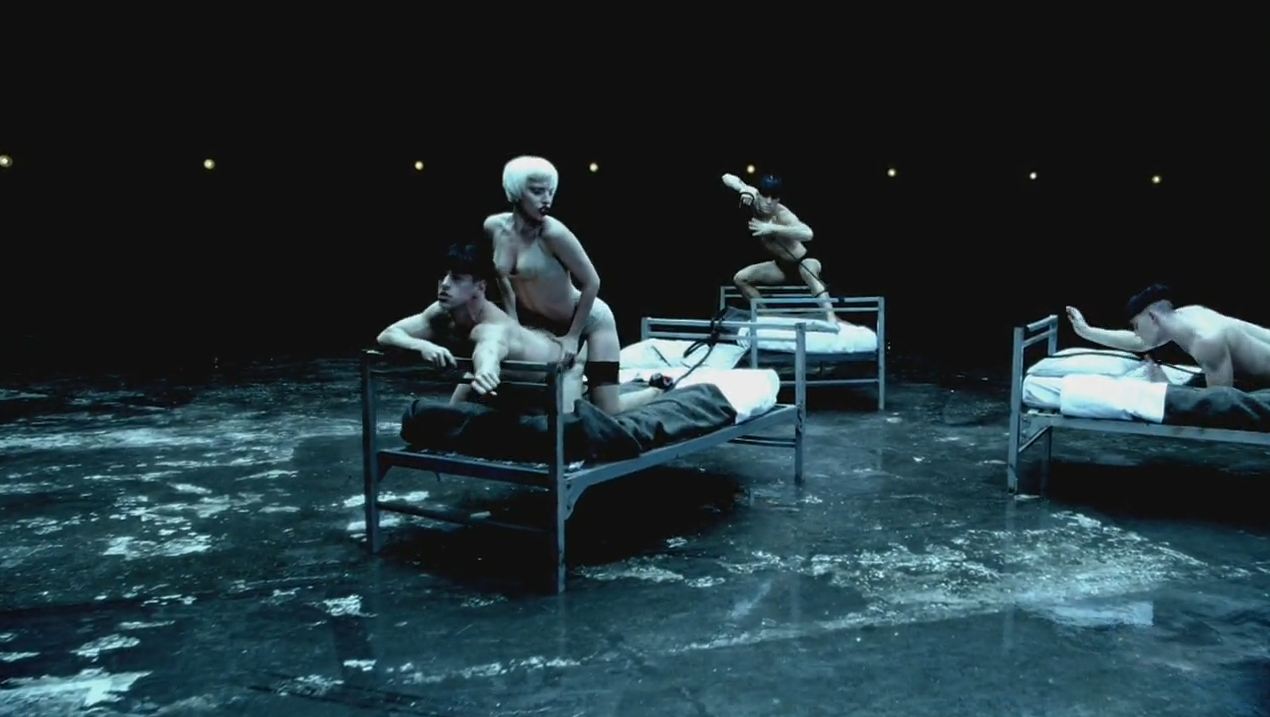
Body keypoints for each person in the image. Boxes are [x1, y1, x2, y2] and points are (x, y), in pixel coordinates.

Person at [486, 156, 659, 415]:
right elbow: (501, 278)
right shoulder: (494, 227)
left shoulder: (553, 233)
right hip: (541, 321)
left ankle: (656, 390)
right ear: (516, 190)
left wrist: (573, 336)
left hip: (590, 321)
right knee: (537, 404)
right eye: (537, 191)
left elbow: (592, 281)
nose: (546, 199)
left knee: (608, 408)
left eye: (550, 192)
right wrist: (513, 324)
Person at [377, 243, 587, 409]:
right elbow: (388, 335)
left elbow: (489, 351)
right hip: (507, 376)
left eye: (456, 279)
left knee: (569, 437)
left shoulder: (493, 327)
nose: (445, 284)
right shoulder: (440, 312)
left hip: (561, 369)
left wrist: (486, 371)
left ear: (480, 287)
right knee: (449, 422)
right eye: (443, 277)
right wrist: (424, 346)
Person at [1066, 283, 1270, 388]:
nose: (1136, 333)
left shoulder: (1205, 340)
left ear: (1153, 317)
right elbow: (1140, 342)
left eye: (1136, 326)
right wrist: (1087, 331)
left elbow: (1220, 404)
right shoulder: (1188, 316)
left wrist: (1167, 387)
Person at [721, 171, 836, 323]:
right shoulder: (753, 196)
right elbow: (726, 177)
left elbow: (808, 233)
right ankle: (767, 316)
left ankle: (831, 319)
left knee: (807, 271)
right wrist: (743, 189)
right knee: (740, 279)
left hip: (803, 260)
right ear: (759, 194)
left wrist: (773, 228)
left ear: (778, 199)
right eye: (765, 196)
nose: (769, 201)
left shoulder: (782, 213)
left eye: (774, 197)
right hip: (782, 266)